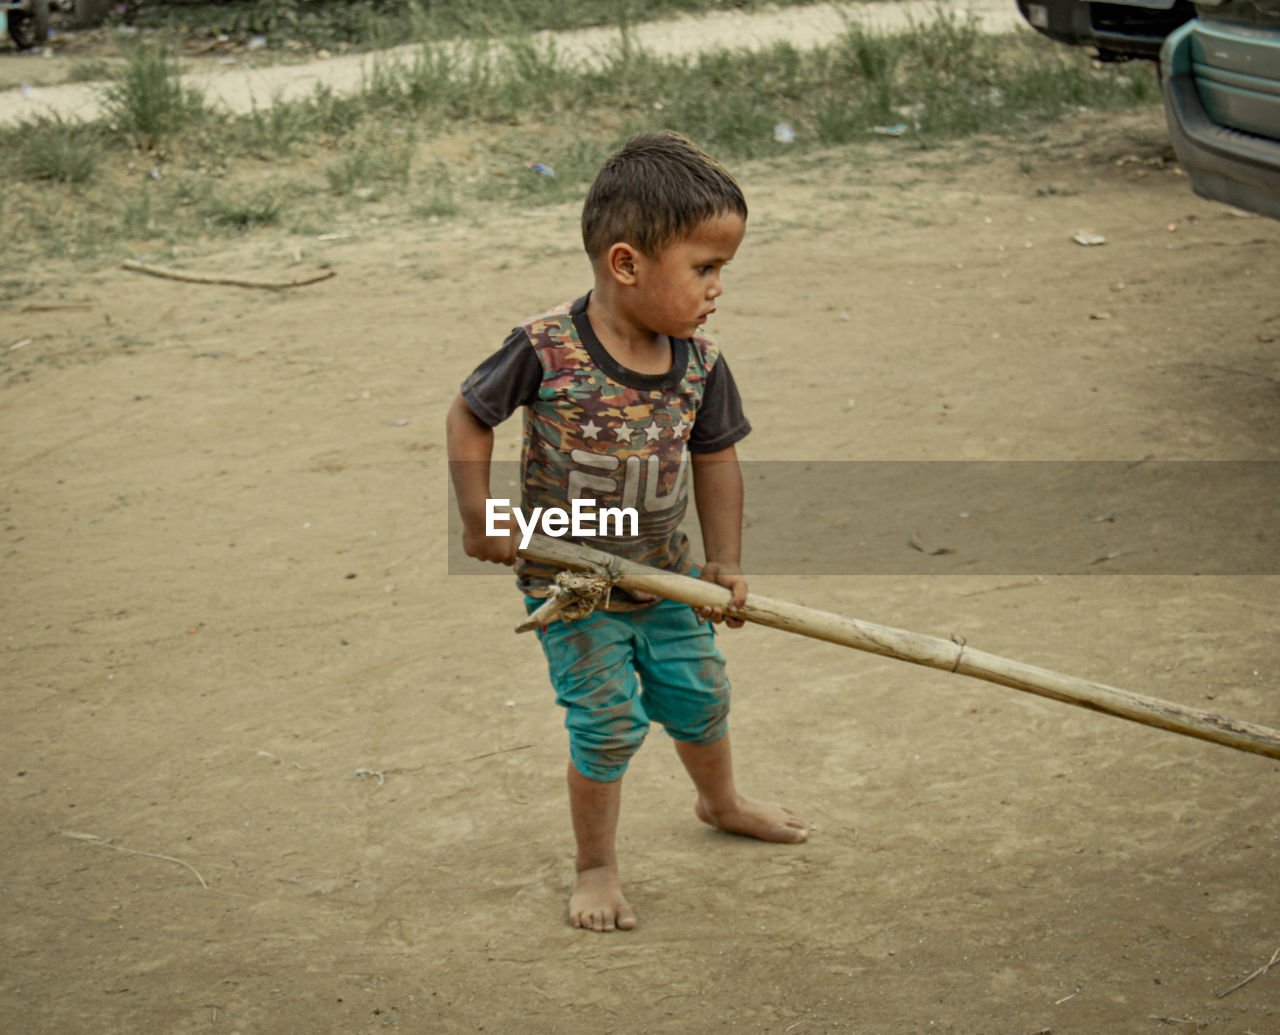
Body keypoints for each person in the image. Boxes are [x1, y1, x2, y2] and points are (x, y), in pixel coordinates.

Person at [446, 130, 808, 933]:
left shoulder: (700, 364)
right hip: (571, 583)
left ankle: (720, 800)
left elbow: (716, 460)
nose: (717, 288)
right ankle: (596, 864)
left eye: (723, 270)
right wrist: (482, 516)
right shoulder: (546, 348)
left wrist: (726, 563)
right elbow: (470, 415)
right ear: (625, 263)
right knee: (607, 718)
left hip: (663, 574)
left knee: (700, 693)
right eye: (704, 268)